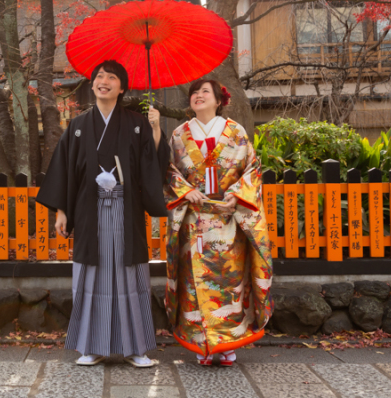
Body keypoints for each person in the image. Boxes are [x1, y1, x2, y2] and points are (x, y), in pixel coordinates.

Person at [36, 59, 168, 368]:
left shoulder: (137, 123)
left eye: (111, 77)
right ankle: (91, 346)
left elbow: (153, 165)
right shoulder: (79, 126)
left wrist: (156, 129)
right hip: (89, 210)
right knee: (92, 277)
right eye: (98, 76)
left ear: (122, 88)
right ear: (93, 85)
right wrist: (61, 211)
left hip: (126, 209)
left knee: (129, 276)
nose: (103, 80)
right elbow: (65, 171)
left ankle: (135, 347)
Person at [163, 78, 273, 366]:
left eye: (204, 92)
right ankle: (203, 345)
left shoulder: (235, 132)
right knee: (194, 282)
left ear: (218, 100)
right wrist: (187, 191)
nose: (198, 96)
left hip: (227, 219)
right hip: (194, 219)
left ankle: (227, 344)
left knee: (228, 281)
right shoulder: (178, 135)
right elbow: (169, 171)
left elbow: (252, 168)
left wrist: (238, 195)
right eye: (194, 93)